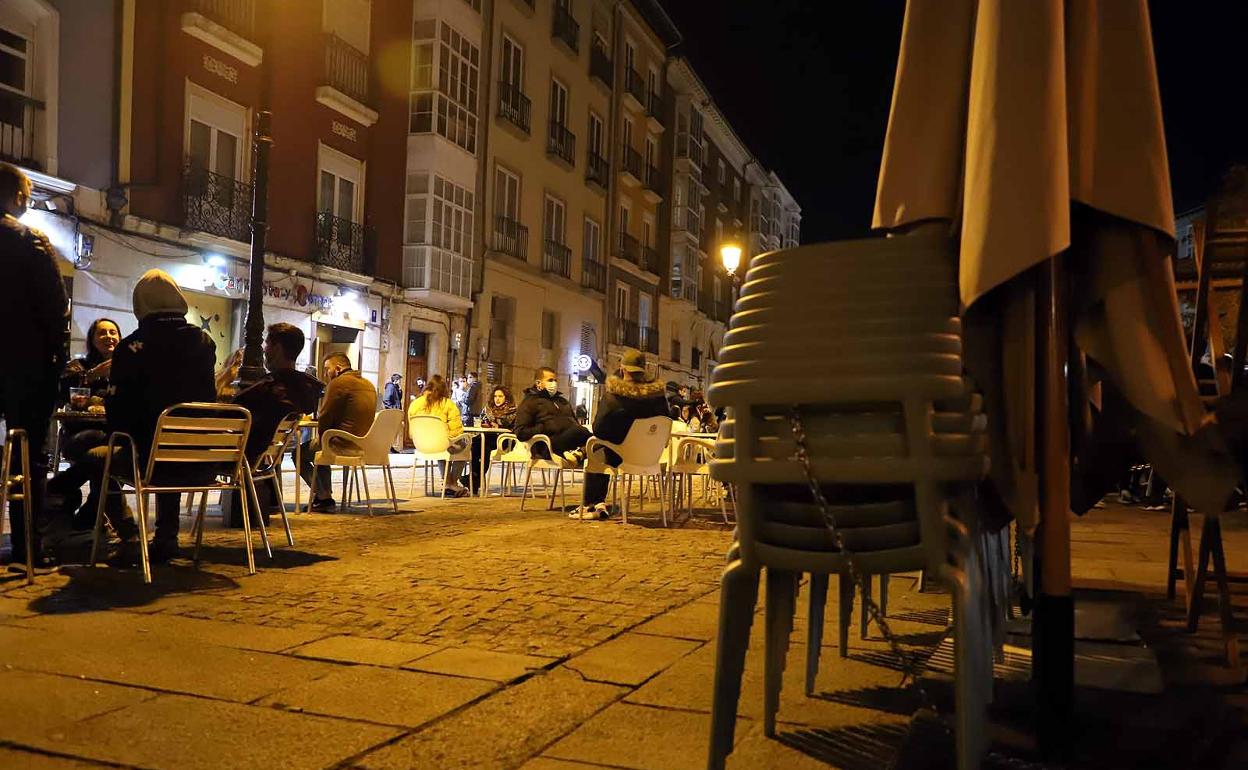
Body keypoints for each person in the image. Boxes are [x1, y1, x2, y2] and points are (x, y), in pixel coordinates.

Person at [82, 269, 217, 564]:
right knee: (168, 444)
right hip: (199, 461)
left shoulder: (131, 347)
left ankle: (125, 533)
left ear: (140, 303)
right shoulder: (205, 342)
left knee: (94, 453)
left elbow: (118, 414)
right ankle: (165, 538)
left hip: (149, 460)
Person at [0, 164, 70, 566]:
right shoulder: (31, 241)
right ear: (20, 197)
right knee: (29, 459)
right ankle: (29, 549)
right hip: (26, 369)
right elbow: (55, 310)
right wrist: (55, 365)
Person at [220, 323, 324, 520]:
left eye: (267, 344)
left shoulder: (266, 388)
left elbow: (228, 416)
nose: (265, 350)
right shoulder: (303, 389)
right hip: (263, 457)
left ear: (276, 348)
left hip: (237, 456)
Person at [575, 348, 670, 519]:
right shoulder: (659, 399)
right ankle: (596, 504)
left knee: (597, 448)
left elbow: (598, 429)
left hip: (622, 456)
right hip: (652, 457)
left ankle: (592, 504)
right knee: (602, 447)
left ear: (623, 369)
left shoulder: (614, 398)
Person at [48, 317, 123, 530]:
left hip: (110, 437)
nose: (109, 336)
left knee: (102, 463)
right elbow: (63, 394)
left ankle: (65, 496)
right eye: (102, 333)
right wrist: (91, 376)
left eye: (113, 332)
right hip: (77, 437)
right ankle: (119, 525)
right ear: (92, 340)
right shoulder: (78, 366)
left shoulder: (126, 369)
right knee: (99, 446)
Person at [301, 352, 377, 511]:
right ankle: (324, 497)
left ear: (337, 368)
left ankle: (323, 496)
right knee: (322, 444)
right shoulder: (369, 385)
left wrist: (323, 433)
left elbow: (325, 415)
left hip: (342, 443)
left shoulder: (338, 383)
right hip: (362, 444)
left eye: (327, 369)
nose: (326, 374)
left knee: (300, 452)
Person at [407, 374, 471, 497]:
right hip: (442, 444)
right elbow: (456, 432)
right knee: (464, 445)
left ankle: (447, 483)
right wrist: (445, 436)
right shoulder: (448, 404)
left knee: (441, 447)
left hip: (421, 445)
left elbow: (411, 432)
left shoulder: (415, 404)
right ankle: (452, 483)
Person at [514, 367, 590, 464]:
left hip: (569, 440)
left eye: (555, 380)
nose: (554, 383)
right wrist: (545, 427)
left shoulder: (562, 402)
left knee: (598, 440)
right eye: (550, 380)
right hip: (547, 445)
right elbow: (520, 432)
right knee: (580, 431)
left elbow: (574, 422)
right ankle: (579, 454)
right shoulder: (530, 402)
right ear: (538, 383)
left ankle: (578, 454)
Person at [470, 386, 517, 495]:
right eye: (495, 396)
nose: (497, 399)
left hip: (505, 440)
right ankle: (475, 478)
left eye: (500, 396)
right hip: (488, 437)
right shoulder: (488, 409)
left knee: (483, 446)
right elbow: (481, 421)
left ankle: (474, 480)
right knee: (476, 443)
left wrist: (499, 427)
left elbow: (513, 428)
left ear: (506, 397)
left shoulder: (512, 411)